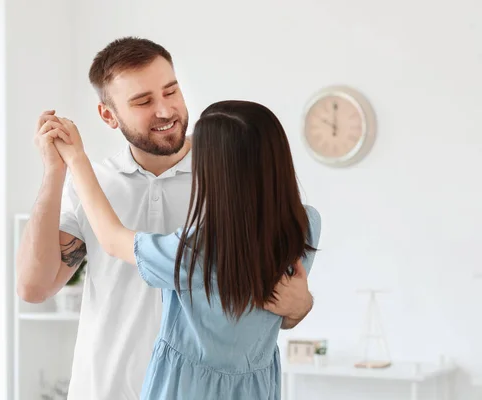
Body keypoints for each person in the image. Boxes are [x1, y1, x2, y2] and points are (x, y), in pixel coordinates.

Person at [16, 37, 316, 400]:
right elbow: (34, 288)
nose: (164, 110)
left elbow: (260, 300)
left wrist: (301, 307)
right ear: (108, 115)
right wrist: (55, 172)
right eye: (143, 101)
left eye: (171, 91)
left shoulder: (230, 186)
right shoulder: (92, 186)